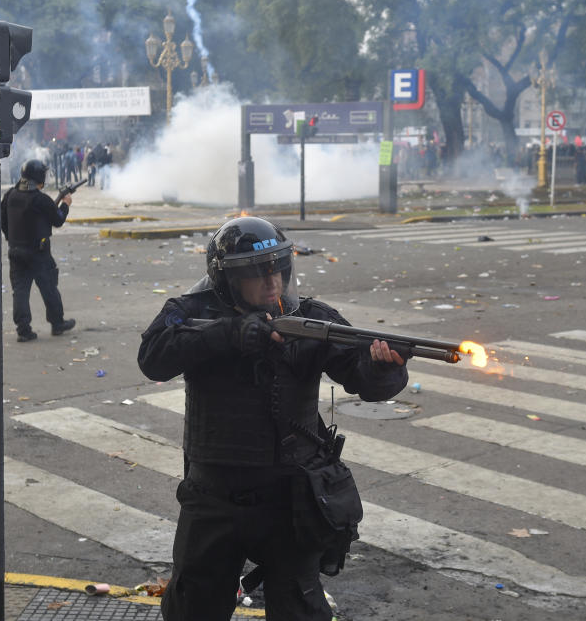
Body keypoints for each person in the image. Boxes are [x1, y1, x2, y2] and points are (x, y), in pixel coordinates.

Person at [137, 217, 408, 621]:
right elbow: (153, 358)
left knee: (300, 608)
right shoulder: (191, 312)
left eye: (278, 269)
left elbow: (359, 373)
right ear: (227, 279)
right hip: (213, 500)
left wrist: (384, 368)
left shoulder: (311, 318)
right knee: (193, 606)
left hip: (289, 500)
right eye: (255, 273)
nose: (272, 282)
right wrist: (228, 336)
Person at [0, 159, 76, 342]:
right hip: (38, 253)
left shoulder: (10, 195)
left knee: (20, 292)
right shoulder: (40, 199)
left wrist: (12, 240)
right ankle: (57, 324)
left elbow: (2, 222)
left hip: (16, 251)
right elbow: (57, 220)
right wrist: (65, 204)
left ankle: (23, 330)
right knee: (49, 288)